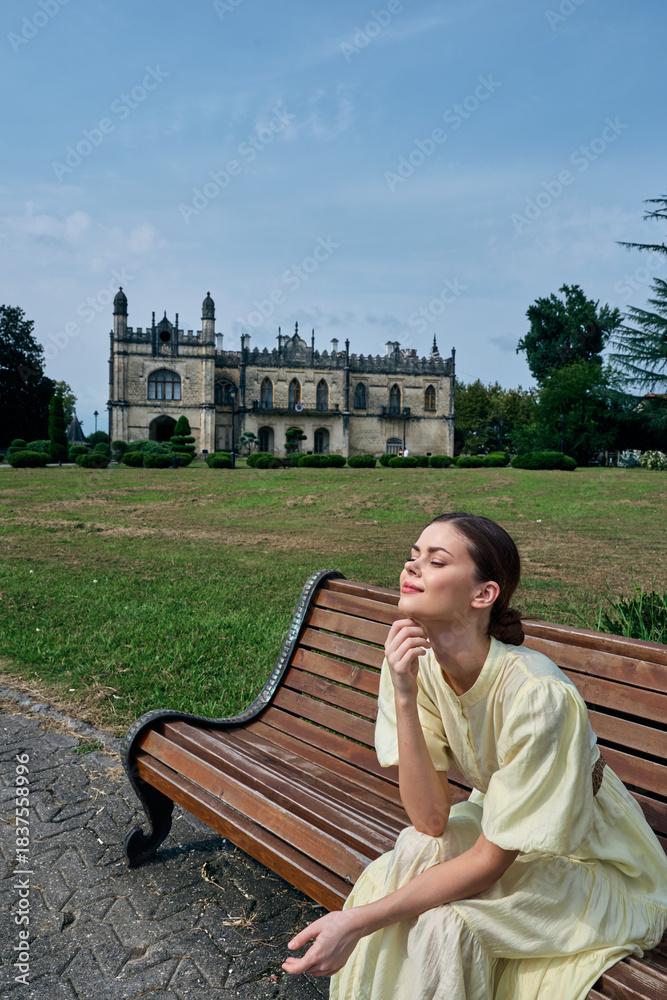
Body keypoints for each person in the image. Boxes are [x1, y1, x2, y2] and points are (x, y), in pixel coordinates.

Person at [282, 512, 667, 999]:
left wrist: (356, 921)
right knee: (416, 851)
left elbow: (489, 861)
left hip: (595, 864)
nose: (412, 568)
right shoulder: (410, 661)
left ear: (483, 594)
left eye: (435, 560)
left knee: (448, 925)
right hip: (510, 833)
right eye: (412, 555)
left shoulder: (536, 694)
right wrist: (403, 693)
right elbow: (430, 819)